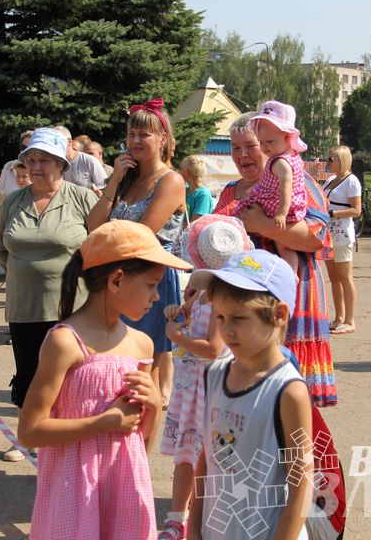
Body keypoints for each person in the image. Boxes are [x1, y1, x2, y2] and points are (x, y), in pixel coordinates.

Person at [18, 220, 191, 539]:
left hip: (126, 492)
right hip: (72, 495)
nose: (156, 297)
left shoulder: (142, 345)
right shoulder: (65, 342)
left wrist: (153, 407)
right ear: (117, 280)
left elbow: (141, 445)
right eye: (152, 285)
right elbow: (29, 431)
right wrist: (104, 422)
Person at [187, 249, 313, 540]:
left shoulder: (288, 391)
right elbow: (208, 456)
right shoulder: (215, 374)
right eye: (219, 316)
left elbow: (301, 483)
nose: (226, 329)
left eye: (239, 318)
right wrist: (194, 527)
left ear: (279, 315)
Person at [214, 113, 337, 408]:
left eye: (251, 146)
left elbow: (318, 237)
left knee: (289, 405)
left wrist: (260, 224)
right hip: (243, 302)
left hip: (293, 297)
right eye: (235, 147)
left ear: (274, 144)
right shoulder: (231, 192)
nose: (243, 155)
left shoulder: (298, 180)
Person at [0, 127, 98, 461]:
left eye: (45, 160)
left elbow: (100, 247)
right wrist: (27, 272)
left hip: (72, 305)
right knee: (28, 374)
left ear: (60, 164)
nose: (36, 166)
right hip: (24, 303)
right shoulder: (14, 200)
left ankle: (71, 440)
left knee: (71, 376)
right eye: (31, 159)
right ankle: (27, 437)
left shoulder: (82, 198)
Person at [88, 97, 187, 409]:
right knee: (117, 361)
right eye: (131, 134)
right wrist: (115, 179)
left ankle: (140, 439)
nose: (135, 141)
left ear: (163, 139)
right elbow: (93, 224)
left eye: (144, 134)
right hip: (119, 277)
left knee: (141, 368)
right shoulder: (127, 179)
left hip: (151, 278)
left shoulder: (171, 180)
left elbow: (143, 233)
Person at [157, 215, 251, 540]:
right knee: (187, 455)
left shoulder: (221, 299)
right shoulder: (203, 292)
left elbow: (213, 348)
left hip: (210, 386)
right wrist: (178, 314)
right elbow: (189, 315)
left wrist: (175, 335)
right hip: (192, 384)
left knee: (206, 457)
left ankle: (199, 520)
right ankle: (176, 518)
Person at [233, 101, 309, 274]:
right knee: (283, 245)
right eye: (261, 142)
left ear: (286, 137)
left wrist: (277, 216)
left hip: (275, 207)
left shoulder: (280, 162)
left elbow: (286, 185)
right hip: (275, 208)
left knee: (241, 218)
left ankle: (290, 273)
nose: (265, 147)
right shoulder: (291, 157)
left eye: (269, 142)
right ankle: (291, 272)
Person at [322, 145, 362, 335]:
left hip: (342, 233)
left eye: (332, 159)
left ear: (342, 160)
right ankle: (338, 318)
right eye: (328, 159)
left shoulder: (351, 181)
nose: (328, 163)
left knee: (346, 277)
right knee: (334, 278)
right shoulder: (330, 180)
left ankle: (350, 320)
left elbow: (357, 210)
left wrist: (334, 212)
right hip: (328, 233)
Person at [0, 130, 33, 215]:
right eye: (24, 147)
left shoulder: (42, 170)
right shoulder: (8, 167)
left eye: (30, 148)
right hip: (9, 224)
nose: (26, 151)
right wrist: (0, 227)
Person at [56, 125, 107, 192]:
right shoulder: (55, 163)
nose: (55, 145)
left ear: (69, 142)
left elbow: (104, 188)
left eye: (57, 141)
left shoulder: (89, 161)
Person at [180, 155, 214, 225]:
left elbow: (194, 225)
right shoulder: (185, 191)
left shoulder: (203, 195)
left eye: (181, 169)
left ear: (186, 172)